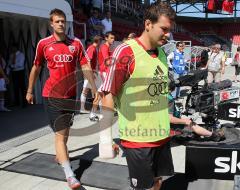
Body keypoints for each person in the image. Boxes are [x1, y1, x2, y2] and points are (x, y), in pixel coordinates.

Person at [100, 2, 176, 189]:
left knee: (158, 183)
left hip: (162, 136)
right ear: (148, 24)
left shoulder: (162, 54)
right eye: (164, 29)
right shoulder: (125, 52)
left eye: (170, 30)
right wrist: (105, 140)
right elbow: (108, 95)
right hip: (138, 140)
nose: (168, 35)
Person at [26, 9, 99, 189]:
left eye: (63, 21)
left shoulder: (75, 43)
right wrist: (29, 91)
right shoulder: (44, 44)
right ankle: (70, 175)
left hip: (70, 96)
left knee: (64, 134)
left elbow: (85, 66)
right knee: (60, 135)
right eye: (57, 21)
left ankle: (60, 156)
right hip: (51, 95)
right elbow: (36, 68)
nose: (61, 24)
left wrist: (94, 89)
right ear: (51, 23)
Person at [80, 35, 103, 121]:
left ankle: (84, 109)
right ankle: (97, 112)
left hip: (90, 73)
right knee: (99, 92)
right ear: (99, 41)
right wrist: (91, 72)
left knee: (86, 91)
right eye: (101, 41)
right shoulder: (92, 48)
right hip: (91, 73)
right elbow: (88, 61)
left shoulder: (91, 48)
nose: (101, 43)